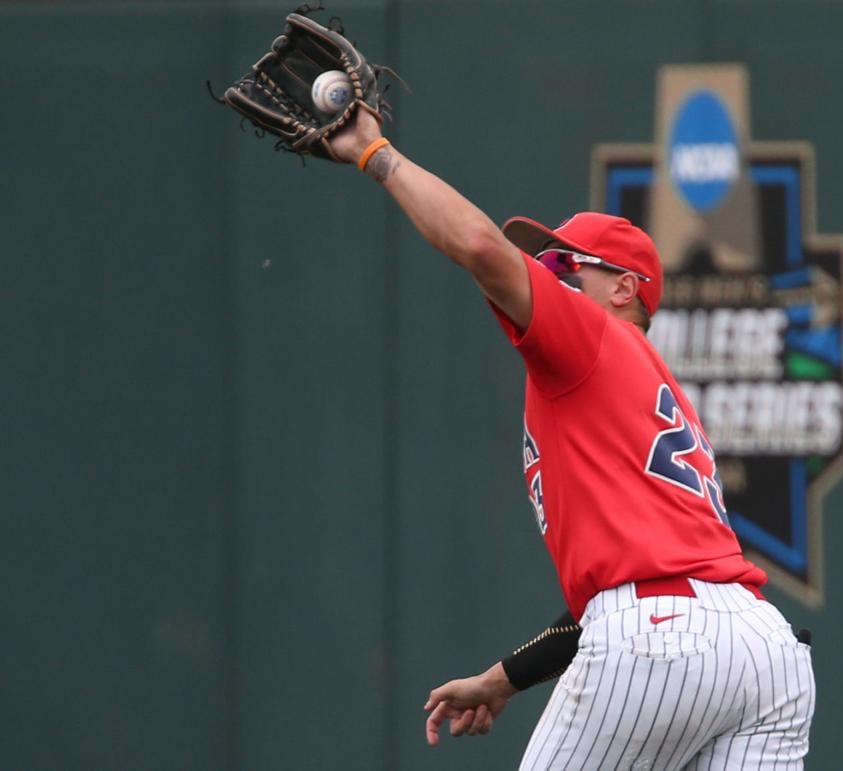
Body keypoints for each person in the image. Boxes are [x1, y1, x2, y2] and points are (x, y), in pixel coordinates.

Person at [329, 110, 815, 769]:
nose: (546, 270)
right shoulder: (647, 388)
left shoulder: (589, 337)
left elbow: (477, 245)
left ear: (623, 288)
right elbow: (622, 585)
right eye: (542, 260)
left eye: (564, 261)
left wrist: (374, 152)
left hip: (663, 633)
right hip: (762, 653)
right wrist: (505, 677)